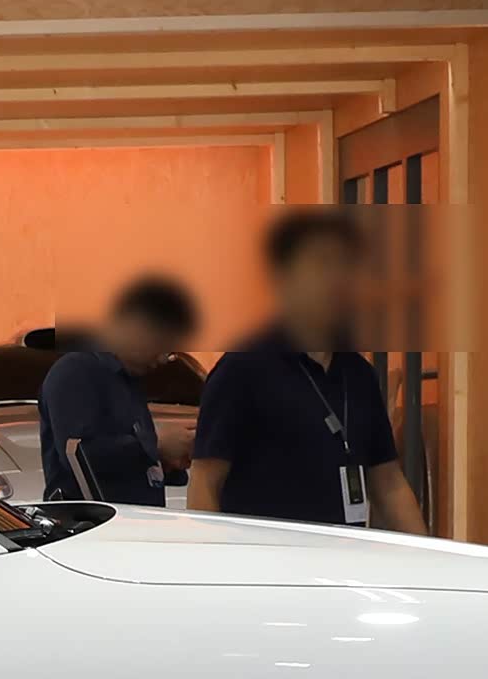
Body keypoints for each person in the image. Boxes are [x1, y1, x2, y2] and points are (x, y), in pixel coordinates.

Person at [187, 211, 426, 532]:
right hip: (266, 556)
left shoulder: (359, 375)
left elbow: (389, 484)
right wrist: (213, 557)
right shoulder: (243, 368)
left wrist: (429, 553)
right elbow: (205, 481)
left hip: (343, 554)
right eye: (322, 265)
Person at [36, 275, 199, 506]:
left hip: (133, 521)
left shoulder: (128, 381)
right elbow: (80, 455)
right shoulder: (76, 370)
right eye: (162, 345)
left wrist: (172, 456)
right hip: (91, 523)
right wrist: (156, 445)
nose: (163, 359)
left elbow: (131, 465)